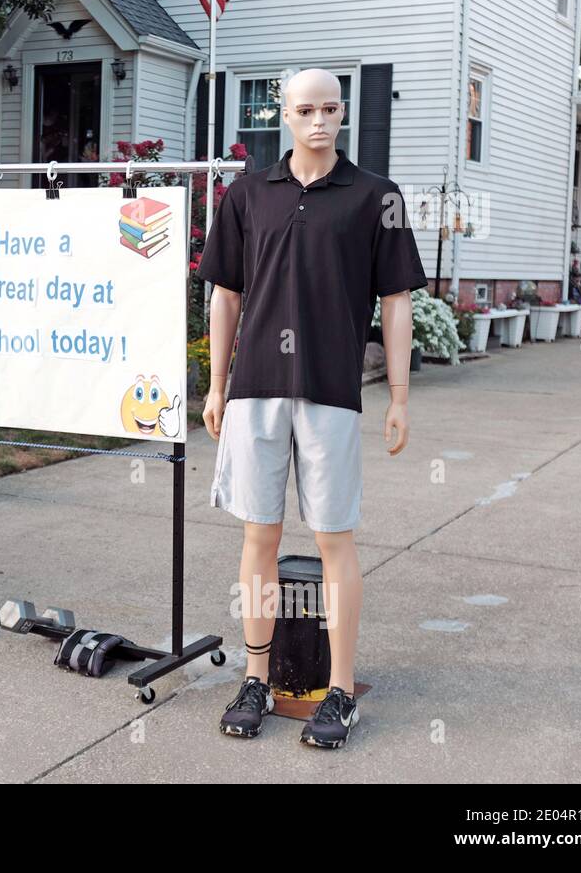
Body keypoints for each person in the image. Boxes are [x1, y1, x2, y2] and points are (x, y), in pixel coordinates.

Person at [195, 68, 428, 748]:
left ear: (343, 112)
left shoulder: (377, 196)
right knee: (259, 538)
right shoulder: (246, 194)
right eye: (305, 109)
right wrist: (216, 384)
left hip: (330, 390)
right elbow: (226, 294)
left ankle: (340, 689)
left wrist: (401, 396)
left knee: (334, 539)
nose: (319, 120)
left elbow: (397, 299)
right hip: (256, 388)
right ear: (285, 115)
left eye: (330, 108)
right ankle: (256, 677)